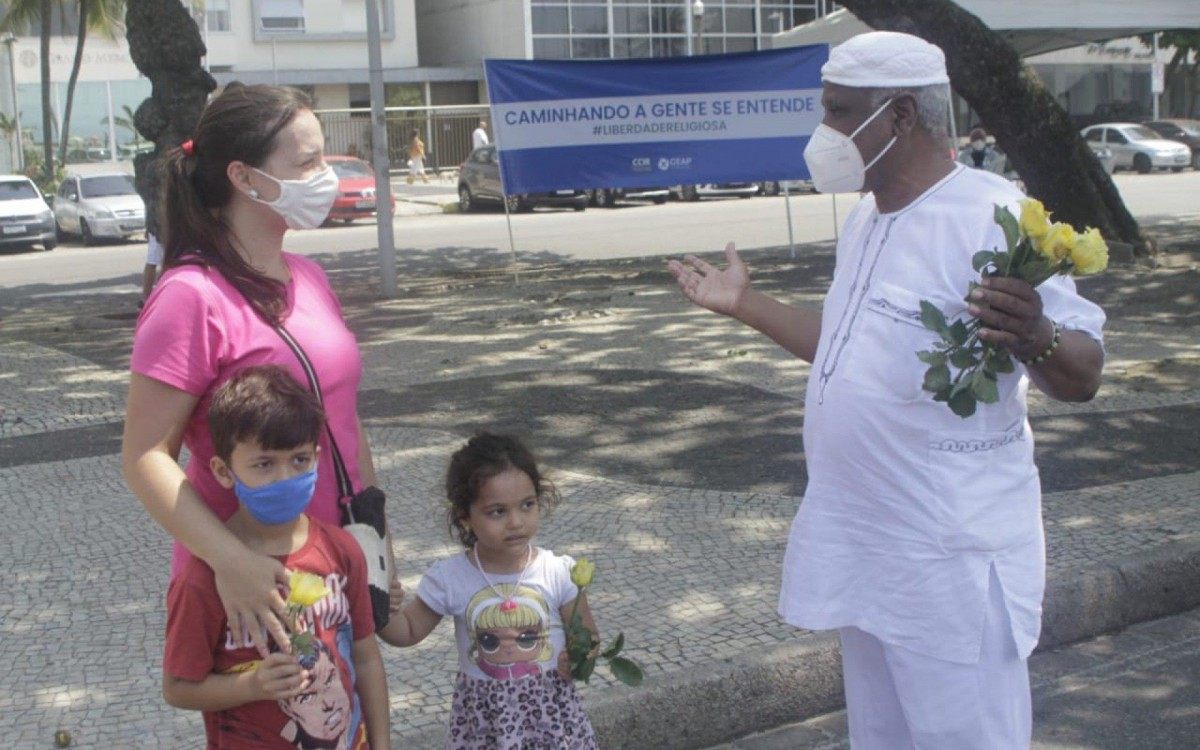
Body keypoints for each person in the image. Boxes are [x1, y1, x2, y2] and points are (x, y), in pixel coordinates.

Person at [668, 31, 1105, 749]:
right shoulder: (867, 218)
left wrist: (1036, 334)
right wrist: (745, 305)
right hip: (870, 550)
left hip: (948, 563)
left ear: (900, 116)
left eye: (841, 112)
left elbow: (1082, 373)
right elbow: (847, 349)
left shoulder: (992, 216)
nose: (826, 132)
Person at [122, 83, 387, 659]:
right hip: (252, 582)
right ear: (244, 178)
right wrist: (232, 561)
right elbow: (145, 456)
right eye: (308, 161)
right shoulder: (189, 297)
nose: (326, 174)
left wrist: (373, 526)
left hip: (336, 560)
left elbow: (342, 414)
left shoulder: (310, 276)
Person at [161, 366, 390, 750]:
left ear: (317, 457)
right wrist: (251, 685)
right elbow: (178, 687)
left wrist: (381, 743)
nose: (285, 477)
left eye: (299, 460)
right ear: (223, 470)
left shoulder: (341, 550)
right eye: (264, 464)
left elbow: (365, 658)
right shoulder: (204, 579)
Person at [379, 432, 600, 749]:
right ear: (465, 518)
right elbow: (408, 631)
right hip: (486, 727)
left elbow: (588, 637)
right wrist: (381, 609)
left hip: (553, 723)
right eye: (497, 511)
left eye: (527, 505)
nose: (515, 522)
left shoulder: (559, 572)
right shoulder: (451, 577)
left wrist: (578, 658)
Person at [141, 232, 163, 304]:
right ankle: (146, 299)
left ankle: (147, 299)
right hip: (158, 228)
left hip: (157, 228)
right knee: (152, 262)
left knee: (154, 261)